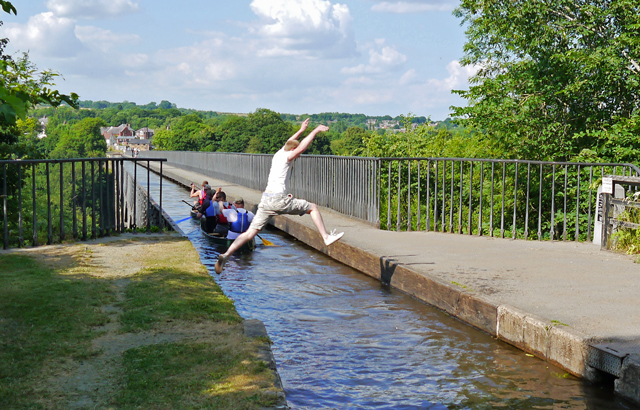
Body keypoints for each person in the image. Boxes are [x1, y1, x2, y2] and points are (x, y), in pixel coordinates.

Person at [215, 118, 344, 274]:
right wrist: (314, 131)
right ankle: (326, 237)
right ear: (292, 151)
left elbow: (291, 141)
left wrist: (301, 130)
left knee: (249, 233)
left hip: (266, 200)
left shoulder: (279, 153)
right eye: (296, 155)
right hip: (277, 200)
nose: (297, 157)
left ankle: (227, 254)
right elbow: (301, 147)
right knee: (313, 208)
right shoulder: (287, 156)